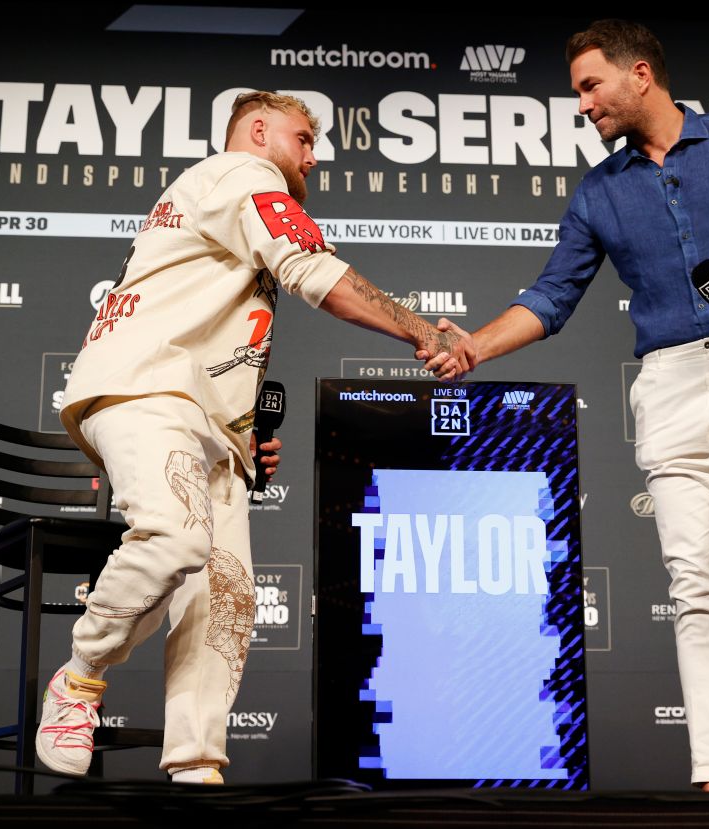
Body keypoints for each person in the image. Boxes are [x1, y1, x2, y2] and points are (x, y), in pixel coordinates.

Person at [424, 21, 709, 790]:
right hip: (671, 385)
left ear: (640, 74)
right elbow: (553, 295)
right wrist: (475, 347)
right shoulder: (600, 190)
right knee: (696, 586)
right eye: (577, 91)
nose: (582, 104)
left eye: (590, 86)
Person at [40, 90, 470, 784]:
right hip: (149, 392)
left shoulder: (218, 194)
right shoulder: (246, 176)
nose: (313, 155)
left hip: (204, 418)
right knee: (176, 538)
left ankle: (196, 768)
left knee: (227, 598)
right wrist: (421, 329)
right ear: (260, 130)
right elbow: (315, 273)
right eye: (304, 138)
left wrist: (240, 437)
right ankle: (81, 678)